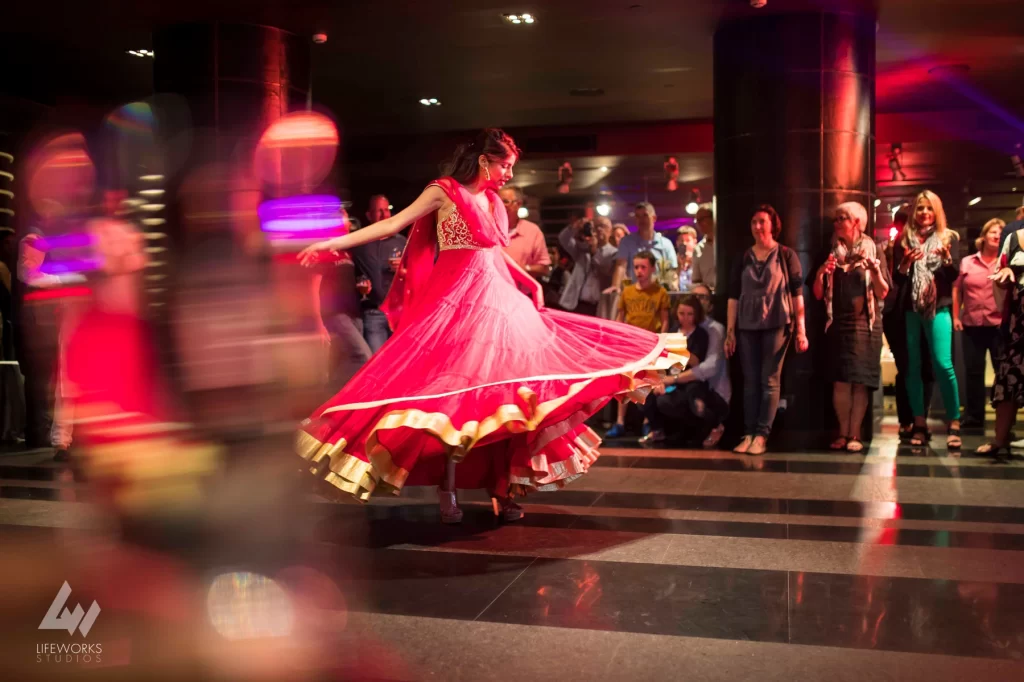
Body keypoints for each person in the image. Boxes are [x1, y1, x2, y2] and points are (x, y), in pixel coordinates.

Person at [295, 129, 681, 523]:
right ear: (485, 161)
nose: (510, 174)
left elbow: (494, 249)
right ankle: (448, 491)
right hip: (454, 305)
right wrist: (332, 243)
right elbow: (394, 224)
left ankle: (506, 488)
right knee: (454, 398)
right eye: (506, 166)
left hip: (497, 302)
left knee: (513, 397)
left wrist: (529, 280)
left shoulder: (494, 201)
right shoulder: (444, 190)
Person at [724, 204, 809, 455]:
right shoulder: (743, 256)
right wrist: (730, 331)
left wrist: (802, 330)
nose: (758, 227)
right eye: (754, 222)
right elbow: (732, 296)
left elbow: (797, 294)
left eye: (762, 221)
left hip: (777, 322)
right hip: (747, 324)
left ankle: (762, 435)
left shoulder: (785, 254)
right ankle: (749, 433)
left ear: (773, 224)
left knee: (770, 380)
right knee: (750, 381)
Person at [812, 202, 890, 453]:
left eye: (842, 218)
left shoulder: (874, 249)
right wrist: (821, 273)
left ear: (857, 222)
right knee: (840, 382)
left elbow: (883, 292)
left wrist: (875, 272)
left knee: (860, 382)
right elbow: (816, 294)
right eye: (836, 218)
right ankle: (843, 432)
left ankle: (855, 432)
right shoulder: (831, 251)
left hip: (866, 325)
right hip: (838, 323)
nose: (836, 223)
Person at [892, 190, 961, 450]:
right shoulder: (902, 240)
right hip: (911, 308)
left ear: (937, 211)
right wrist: (904, 265)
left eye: (928, 208)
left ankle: (954, 421)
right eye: (919, 208)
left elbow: (953, 276)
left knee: (943, 364)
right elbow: (897, 281)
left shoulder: (949, 237)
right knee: (912, 366)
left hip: (938, 307)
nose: (923, 213)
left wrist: (946, 259)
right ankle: (919, 423)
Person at [640, 293, 730, 447]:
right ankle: (658, 428)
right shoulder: (673, 330)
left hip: (690, 381)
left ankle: (708, 424)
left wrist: (678, 350)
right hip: (671, 376)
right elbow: (663, 359)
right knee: (642, 394)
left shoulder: (701, 334)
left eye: (690, 314)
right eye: (682, 314)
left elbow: (697, 362)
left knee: (689, 399)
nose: (685, 318)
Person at [605, 251, 671, 438]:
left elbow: (664, 320)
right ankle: (620, 421)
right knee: (625, 380)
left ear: (651, 268)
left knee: (646, 381)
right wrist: (618, 339)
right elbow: (620, 317)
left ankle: (647, 421)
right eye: (636, 267)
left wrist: (660, 342)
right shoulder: (627, 292)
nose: (639, 271)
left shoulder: (660, 292)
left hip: (650, 342)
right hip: (631, 342)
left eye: (643, 267)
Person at [311, 207, 373, 393]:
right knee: (364, 356)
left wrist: (364, 287)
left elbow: (348, 281)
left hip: (354, 312)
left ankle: (330, 397)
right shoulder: (325, 249)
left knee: (342, 360)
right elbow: (314, 285)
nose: (349, 223)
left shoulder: (347, 251)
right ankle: (358, 396)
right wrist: (318, 323)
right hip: (335, 314)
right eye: (346, 219)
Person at [977, 223, 1024, 461]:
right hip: (1018, 326)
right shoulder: (1014, 238)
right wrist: (1004, 278)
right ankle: (1000, 440)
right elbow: (1001, 277)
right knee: (1007, 381)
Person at [953, 218, 1004, 430]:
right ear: (983, 236)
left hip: (999, 326)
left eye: (1000, 233)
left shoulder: (1006, 262)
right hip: (971, 324)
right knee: (973, 372)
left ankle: (1003, 419)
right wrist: (956, 316)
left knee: (1002, 372)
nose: (996, 235)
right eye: (993, 231)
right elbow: (957, 289)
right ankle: (974, 417)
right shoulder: (967, 262)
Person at [350, 195, 407, 353]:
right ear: (369, 215)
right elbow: (348, 273)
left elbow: (417, 273)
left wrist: (404, 269)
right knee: (378, 363)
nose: (384, 215)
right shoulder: (360, 244)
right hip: (373, 313)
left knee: (401, 359)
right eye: (379, 211)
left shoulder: (402, 242)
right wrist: (358, 285)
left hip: (399, 312)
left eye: (387, 210)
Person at [606, 203, 678, 296]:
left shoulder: (666, 244)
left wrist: (673, 288)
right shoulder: (627, 242)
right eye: (638, 216)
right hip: (635, 296)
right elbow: (621, 265)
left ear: (654, 218)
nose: (641, 220)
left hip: (659, 296)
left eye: (645, 215)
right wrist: (615, 286)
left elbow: (672, 271)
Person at [558, 216, 617, 316]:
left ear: (610, 232)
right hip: (576, 305)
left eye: (602, 226)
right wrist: (574, 226)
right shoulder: (583, 249)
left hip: (600, 308)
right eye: (596, 226)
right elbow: (563, 239)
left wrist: (594, 252)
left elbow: (606, 271)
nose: (599, 229)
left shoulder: (615, 253)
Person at [499, 185, 551, 280]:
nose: (501, 206)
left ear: (518, 204)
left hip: (521, 292)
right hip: (493, 292)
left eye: (506, 202)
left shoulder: (532, 231)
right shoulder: (488, 229)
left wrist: (523, 268)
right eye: (498, 202)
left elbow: (544, 268)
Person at [691, 205, 717, 291]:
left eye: (701, 219)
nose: (699, 224)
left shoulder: (726, 244)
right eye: (697, 221)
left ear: (713, 218)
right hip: (708, 297)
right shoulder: (698, 249)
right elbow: (696, 280)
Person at [676, 225, 698, 292]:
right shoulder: (673, 262)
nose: (684, 243)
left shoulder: (700, 261)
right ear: (677, 242)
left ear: (695, 242)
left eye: (688, 240)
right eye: (681, 240)